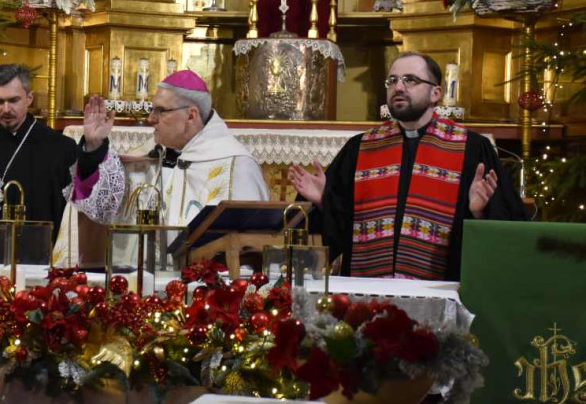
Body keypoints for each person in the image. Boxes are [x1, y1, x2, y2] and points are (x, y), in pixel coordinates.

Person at [288, 52, 527, 280]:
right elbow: (340, 231)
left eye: (410, 80)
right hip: (367, 293)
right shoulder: (361, 148)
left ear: (436, 93)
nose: (398, 87)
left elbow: (507, 233)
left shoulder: (471, 149)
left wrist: (478, 213)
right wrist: (324, 201)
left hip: (440, 289)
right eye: (392, 81)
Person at [54, 69, 269, 266]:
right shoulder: (148, 155)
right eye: (152, 109)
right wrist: (94, 146)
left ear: (191, 116)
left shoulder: (236, 167)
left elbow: (250, 249)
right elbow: (98, 208)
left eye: (160, 111)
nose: (150, 119)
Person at [0, 64, 123, 262]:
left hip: (41, 265)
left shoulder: (59, 147)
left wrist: (93, 144)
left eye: (13, 100)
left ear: (29, 99)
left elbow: (86, 200)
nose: (6, 109)